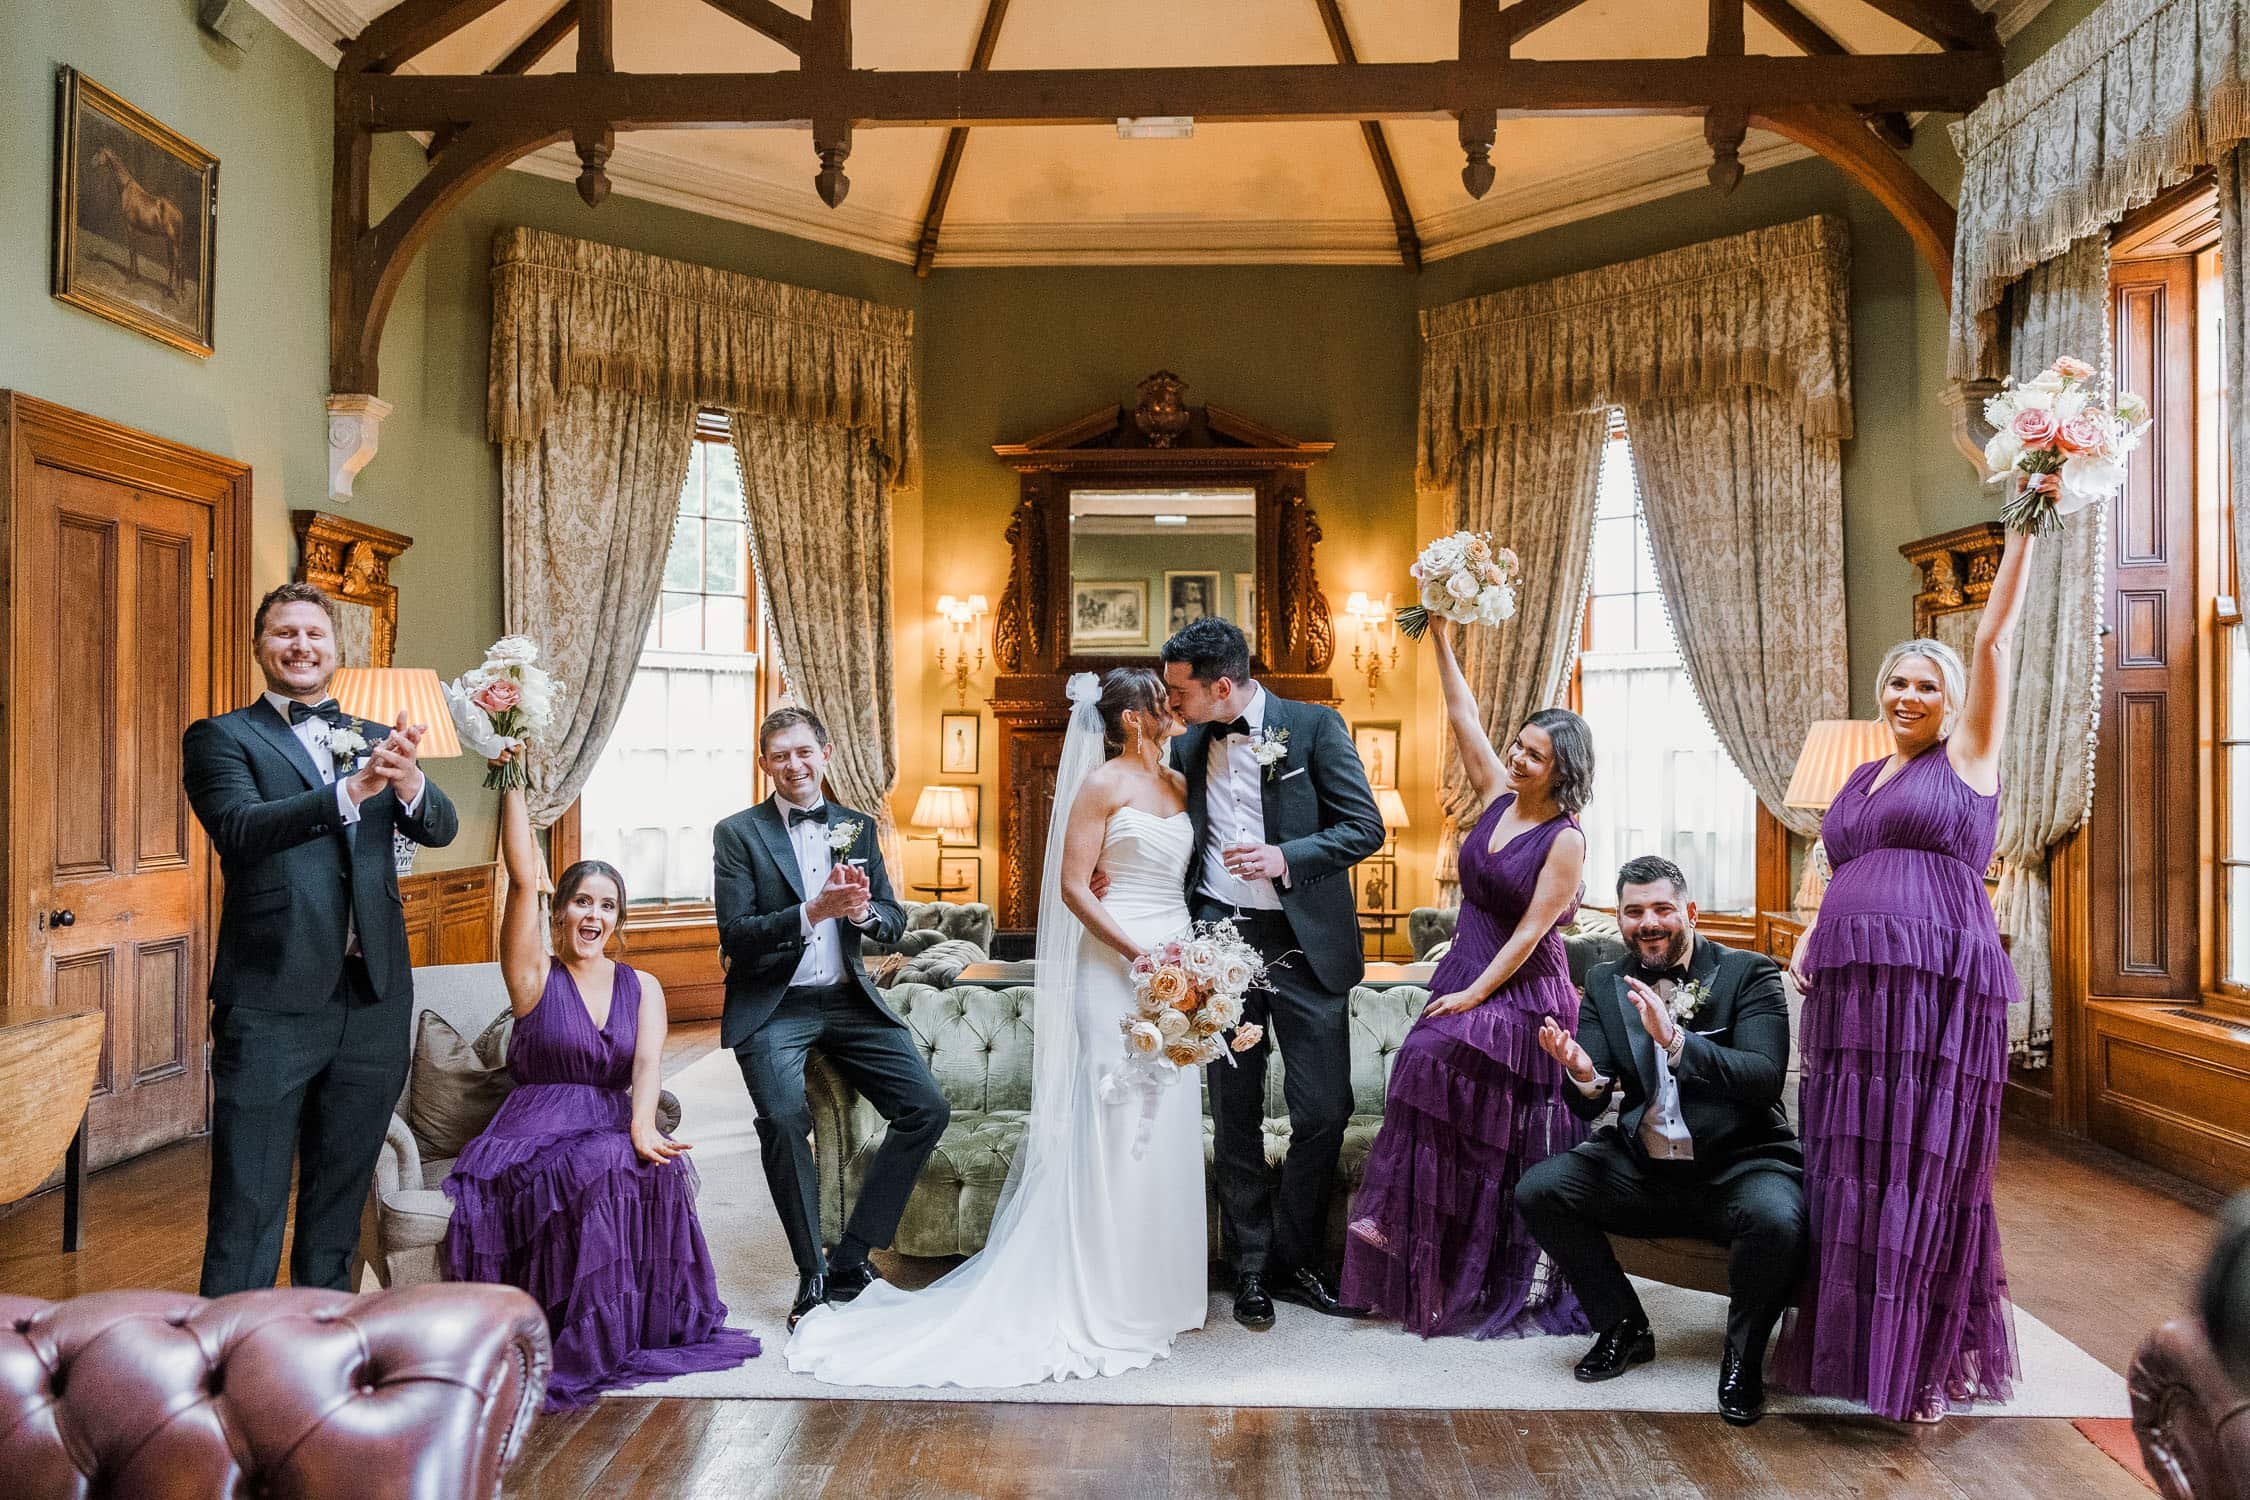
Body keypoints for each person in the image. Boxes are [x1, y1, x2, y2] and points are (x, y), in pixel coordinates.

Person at [787, 668, 1208, 1386]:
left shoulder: (1178, 784)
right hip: (1118, 968)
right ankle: (1106, 1289)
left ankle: (1160, 1287)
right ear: (1134, 718)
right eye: (1164, 703)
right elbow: (1075, 886)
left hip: (1181, 964)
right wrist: (1141, 952)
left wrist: (1195, 961)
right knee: (1113, 1118)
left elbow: (1181, 874)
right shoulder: (1102, 784)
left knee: (1163, 1116)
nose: (1176, 710)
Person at [1772, 528, 2035, 1422]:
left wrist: (2031, 511)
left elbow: (1995, 637)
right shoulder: (1865, 774)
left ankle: (1918, 1362)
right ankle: (1853, 1350)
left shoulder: (1968, 758)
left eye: (1928, 684)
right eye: (1898, 681)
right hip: (1851, 989)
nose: (1908, 694)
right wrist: (1809, 938)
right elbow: (1836, 870)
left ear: (1955, 700)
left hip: (1933, 985)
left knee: (1922, 1163)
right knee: (1851, 1158)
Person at [442, 758, 758, 1410]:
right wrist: (512, 778)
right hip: (533, 1131)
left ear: (619, 920)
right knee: (601, 1164)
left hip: (611, 1121)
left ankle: (632, 1332)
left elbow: (646, 1067)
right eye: (582, 902)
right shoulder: (533, 975)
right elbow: (524, 876)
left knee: (651, 1165)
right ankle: (584, 1340)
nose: (594, 916)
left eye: (607, 906)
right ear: (560, 911)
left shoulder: (642, 987)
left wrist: (643, 1125)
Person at [182, 582, 458, 1296]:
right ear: (259, 647)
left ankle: (322, 1353)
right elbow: (242, 829)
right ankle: (228, 1366)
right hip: (271, 1001)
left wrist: (409, 785)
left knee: (339, 1202)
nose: (301, 646)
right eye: (284, 634)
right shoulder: (221, 738)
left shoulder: (371, 736)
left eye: (314, 634)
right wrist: (351, 791)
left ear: (336, 648)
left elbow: (441, 827)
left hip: (371, 1001)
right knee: (248, 1203)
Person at [1341, 625, 1592, 1340]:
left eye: (1533, 754)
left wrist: (1479, 993)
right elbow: (1463, 717)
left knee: (1436, 1071)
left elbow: (1532, 932)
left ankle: (1480, 1265)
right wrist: (1441, 638)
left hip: (1518, 986)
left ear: (1561, 768)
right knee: (1434, 1094)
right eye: (1517, 744)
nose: (1516, 757)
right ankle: (1434, 1263)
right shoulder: (1493, 795)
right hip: (1466, 966)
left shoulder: (1566, 839)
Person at [1519, 854, 1805, 1426]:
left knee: (1778, 1221)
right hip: (1644, 1167)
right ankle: (1624, 1325)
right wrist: (1580, 1070)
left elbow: (1762, 1078)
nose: (1647, 922)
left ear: (1689, 912)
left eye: (1661, 909)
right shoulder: (1604, 980)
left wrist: (1676, 1041)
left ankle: (1744, 1357)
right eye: (1633, 911)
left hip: (1739, 1165)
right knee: (1539, 1190)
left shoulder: (1749, 972)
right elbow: (1591, 1100)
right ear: (1618, 919)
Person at [1159, 617, 1386, 1328]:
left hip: (1307, 945)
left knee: (1324, 1111)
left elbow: (1365, 827)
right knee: (1235, 1110)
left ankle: (1294, 1260)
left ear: (1221, 686)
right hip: (1223, 945)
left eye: (1180, 692)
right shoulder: (1189, 744)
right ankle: (1251, 1267)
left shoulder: (1315, 728)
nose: (1173, 705)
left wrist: (1287, 857)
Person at [713, 707, 950, 1331]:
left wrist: (864, 914)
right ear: (764, 763)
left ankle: (851, 1255)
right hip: (774, 1004)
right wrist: (811, 910)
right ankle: (810, 1273)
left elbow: (895, 923)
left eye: (803, 752)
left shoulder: (857, 826)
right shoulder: (738, 833)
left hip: (849, 1000)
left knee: (926, 1108)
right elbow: (735, 936)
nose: (793, 764)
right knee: (785, 1120)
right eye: (779, 755)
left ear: (826, 753)